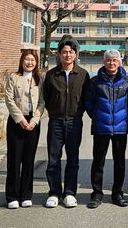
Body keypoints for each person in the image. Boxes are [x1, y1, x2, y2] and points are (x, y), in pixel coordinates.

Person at [85, 49, 128, 209]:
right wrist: (97, 116)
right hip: (101, 128)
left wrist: (123, 116)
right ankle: (97, 193)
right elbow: (88, 102)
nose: (111, 63)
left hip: (120, 128)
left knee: (119, 163)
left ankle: (117, 193)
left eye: (114, 60)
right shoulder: (95, 81)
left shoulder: (127, 81)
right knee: (98, 162)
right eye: (108, 60)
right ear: (104, 62)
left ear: (119, 62)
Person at [43, 35, 90, 209]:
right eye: (64, 52)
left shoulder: (83, 74)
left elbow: (86, 98)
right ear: (59, 54)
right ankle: (54, 193)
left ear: (75, 54)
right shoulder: (51, 75)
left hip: (74, 122)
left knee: (73, 159)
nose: (68, 55)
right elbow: (46, 97)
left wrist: (79, 112)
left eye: (71, 52)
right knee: (53, 159)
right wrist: (54, 111)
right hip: (55, 122)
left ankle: (69, 193)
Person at [4, 49, 45, 209]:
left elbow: (42, 102)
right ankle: (12, 196)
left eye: (33, 60)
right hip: (16, 122)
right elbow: (9, 100)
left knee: (28, 160)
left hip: (33, 123)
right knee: (14, 160)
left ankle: (26, 195)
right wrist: (21, 119)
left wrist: (34, 121)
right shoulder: (14, 77)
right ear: (22, 61)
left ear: (36, 63)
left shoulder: (39, 79)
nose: (30, 62)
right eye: (27, 59)